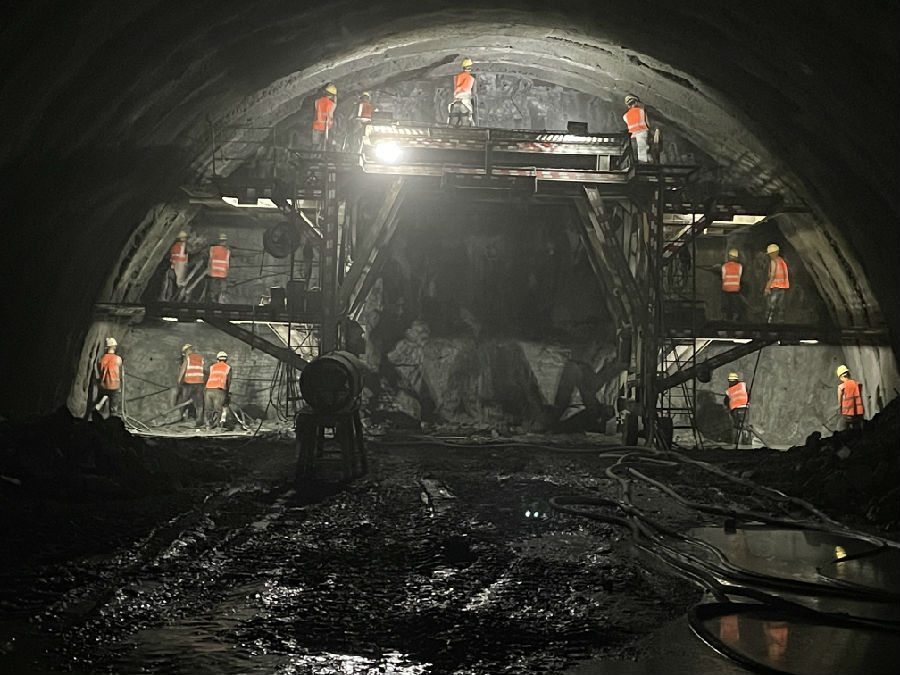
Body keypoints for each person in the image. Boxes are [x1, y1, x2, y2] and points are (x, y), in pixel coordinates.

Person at [94, 337, 123, 418]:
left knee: (99, 410)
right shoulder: (118, 359)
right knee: (113, 410)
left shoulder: (101, 359)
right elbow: (119, 371)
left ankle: (98, 419)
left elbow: (100, 371)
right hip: (114, 387)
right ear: (114, 347)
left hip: (103, 386)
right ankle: (112, 420)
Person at [176, 344, 205, 424]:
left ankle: (181, 418)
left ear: (187, 351)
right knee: (199, 404)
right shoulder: (201, 358)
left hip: (189, 383)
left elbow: (183, 369)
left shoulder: (188, 358)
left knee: (183, 401)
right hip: (199, 383)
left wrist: (179, 381)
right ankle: (199, 422)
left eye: (184, 352)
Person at [204, 351, 232, 430]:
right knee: (218, 409)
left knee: (208, 409)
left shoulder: (212, 367)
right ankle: (217, 426)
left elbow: (208, 377)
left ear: (217, 359)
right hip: (219, 390)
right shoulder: (228, 367)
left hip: (208, 389)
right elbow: (228, 382)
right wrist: (227, 394)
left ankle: (208, 425)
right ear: (226, 360)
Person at [764, 243, 789, 323]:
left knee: (771, 305)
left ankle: (768, 321)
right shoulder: (782, 261)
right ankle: (781, 321)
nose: (769, 255)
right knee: (781, 306)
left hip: (775, 287)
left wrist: (767, 287)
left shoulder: (773, 262)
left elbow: (772, 276)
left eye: (770, 253)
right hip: (783, 287)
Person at [160, 230, 189, 301]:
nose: (186, 239)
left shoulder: (174, 246)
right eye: (185, 238)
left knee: (170, 284)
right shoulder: (183, 246)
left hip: (174, 267)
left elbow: (172, 257)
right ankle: (174, 299)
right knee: (177, 285)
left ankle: (166, 298)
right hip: (180, 268)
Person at [836, 364, 864, 433]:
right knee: (858, 431)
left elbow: (840, 403)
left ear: (841, 377)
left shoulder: (841, 387)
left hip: (847, 414)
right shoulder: (858, 384)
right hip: (858, 413)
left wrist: (840, 411)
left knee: (844, 430)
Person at [723, 372, 749, 446]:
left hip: (735, 409)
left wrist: (727, 408)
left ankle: (735, 442)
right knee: (745, 425)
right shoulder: (743, 386)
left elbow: (726, 401)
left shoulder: (729, 390)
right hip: (744, 408)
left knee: (735, 426)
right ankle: (746, 441)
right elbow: (748, 394)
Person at [623, 94, 650, 163]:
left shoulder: (625, 116)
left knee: (634, 153)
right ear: (636, 103)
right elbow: (648, 124)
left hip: (632, 136)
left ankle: (635, 165)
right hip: (642, 133)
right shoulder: (642, 111)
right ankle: (643, 165)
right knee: (642, 152)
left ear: (628, 105)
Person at [449, 57, 476, 126]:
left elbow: (457, 88)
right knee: (468, 118)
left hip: (456, 100)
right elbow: (466, 89)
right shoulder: (470, 78)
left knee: (452, 121)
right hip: (465, 101)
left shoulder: (458, 77)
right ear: (469, 67)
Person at [206, 233, 230, 304]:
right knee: (221, 291)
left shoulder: (212, 249)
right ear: (225, 241)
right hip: (222, 275)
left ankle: (214, 299)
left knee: (213, 291)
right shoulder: (227, 251)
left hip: (213, 274)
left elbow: (209, 261)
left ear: (218, 241)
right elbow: (227, 265)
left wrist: (208, 271)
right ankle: (220, 299)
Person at [721, 248, 744, 321]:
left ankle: (726, 318)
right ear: (736, 257)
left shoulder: (724, 266)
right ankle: (735, 318)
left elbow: (723, 277)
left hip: (726, 288)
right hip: (735, 289)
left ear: (729, 256)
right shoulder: (739, 266)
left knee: (726, 304)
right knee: (735, 304)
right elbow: (739, 276)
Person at [312, 83, 337, 150]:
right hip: (328, 127)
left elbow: (315, 111)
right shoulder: (332, 104)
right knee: (328, 146)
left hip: (317, 126)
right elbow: (332, 112)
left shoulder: (317, 101)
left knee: (315, 145)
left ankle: (313, 154)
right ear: (332, 95)